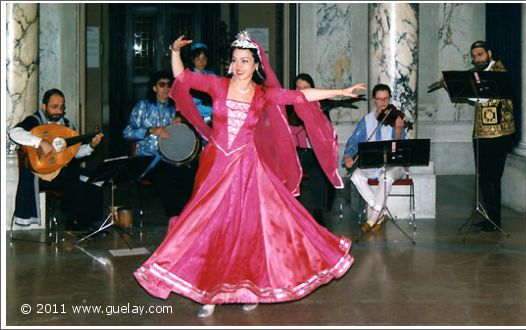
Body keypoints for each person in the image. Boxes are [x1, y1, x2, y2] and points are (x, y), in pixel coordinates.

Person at [134, 31, 365, 319]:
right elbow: (183, 79)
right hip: (217, 167)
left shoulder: (263, 94)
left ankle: (250, 288)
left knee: (251, 230)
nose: (240, 65)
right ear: (230, 64)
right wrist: (174, 52)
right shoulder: (217, 85)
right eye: (235, 60)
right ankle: (210, 291)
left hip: (248, 170)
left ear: (256, 66)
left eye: (245, 60)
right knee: (211, 228)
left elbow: (299, 95)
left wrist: (339, 92)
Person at [9, 88, 104, 230]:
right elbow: (14, 133)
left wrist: (90, 146)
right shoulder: (34, 121)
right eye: (54, 107)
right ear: (44, 106)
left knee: (97, 177)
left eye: (61, 107)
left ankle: (88, 222)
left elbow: (74, 153)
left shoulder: (67, 125)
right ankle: (73, 222)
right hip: (42, 174)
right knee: (73, 175)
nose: (59, 111)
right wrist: (40, 142)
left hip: (61, 173)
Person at [123, 70, 197, 219]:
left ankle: (182, 219)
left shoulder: (172, 110)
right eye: (162, 85)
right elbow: (127, 133)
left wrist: (180, 124)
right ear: (154, 88)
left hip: (168, 159)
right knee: (167, 181)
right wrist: (151, 130)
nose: (166, 88)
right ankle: (175, 220)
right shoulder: (143, 107)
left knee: (189, 177)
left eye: (169, 85)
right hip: (146, 160)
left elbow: (178, 138)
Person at [343, 84, 408, 234]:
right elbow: (353, 141)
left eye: (386, 99)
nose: (383, 103)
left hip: (394, 165)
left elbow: (401, 149)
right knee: (356, 176)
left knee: (387, 176)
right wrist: (348, 156)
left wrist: (398, 129)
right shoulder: (367, 120)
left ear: (390, 99)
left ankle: (372, 218)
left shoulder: (397, 118)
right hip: (374, 163)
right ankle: (381, 212)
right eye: (379, 99)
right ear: (374, 100)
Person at [466, 40, 515, 232]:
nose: (477, 59)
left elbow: (488, 95)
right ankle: (490, 218)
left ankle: (495, 221)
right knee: (483, 176)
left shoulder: (499, 71)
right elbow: (476, 98)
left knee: (492, 177)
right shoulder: (479, 73)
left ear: (489, 53)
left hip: (498, 133)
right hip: (481, 132)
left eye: (480, 55)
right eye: (474, 56)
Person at [287, 73, 331, 226]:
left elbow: (327, 131)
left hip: (312, 152)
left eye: (305, 88)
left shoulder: (320, 107)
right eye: (299, 88)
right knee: (292, 167)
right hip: (293, 152)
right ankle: (294, 210)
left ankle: (318, 211)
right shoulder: (288, 107)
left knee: (318, 169)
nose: (302, 91)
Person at [186, 42, 217, 126]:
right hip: (196, 118)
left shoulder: (211, 75)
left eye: (204, 59)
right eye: (198, 59)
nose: (202, 62)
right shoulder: (188, 77)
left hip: (213, 117)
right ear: (192, 60)